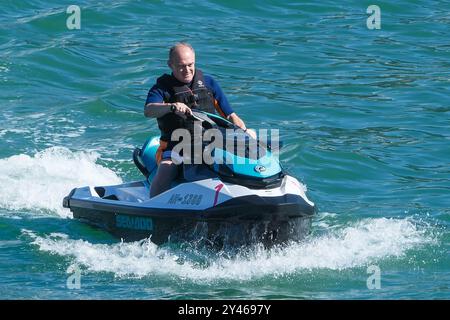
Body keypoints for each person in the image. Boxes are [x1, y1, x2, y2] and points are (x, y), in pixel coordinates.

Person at [144, 42, 253, 197]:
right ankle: (153, 206)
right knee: (167, 168)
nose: (187, 70)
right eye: (181, 66)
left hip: (212, 140)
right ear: (170, 65)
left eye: (190, 65)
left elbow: (230, 115)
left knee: (251, 138)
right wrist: (172, 106)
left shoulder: (209, 83)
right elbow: (149, 110)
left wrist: (244, 132)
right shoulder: (162, 88)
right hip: (176, 144)